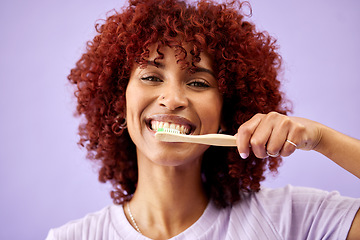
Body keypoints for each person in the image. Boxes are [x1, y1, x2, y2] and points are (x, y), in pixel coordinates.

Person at [46, 0, 360, 239]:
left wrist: (321, 139)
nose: (172, 99)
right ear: (119, 102)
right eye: (152, 77)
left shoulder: (287, 219)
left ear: (227, 114)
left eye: (198, 83)